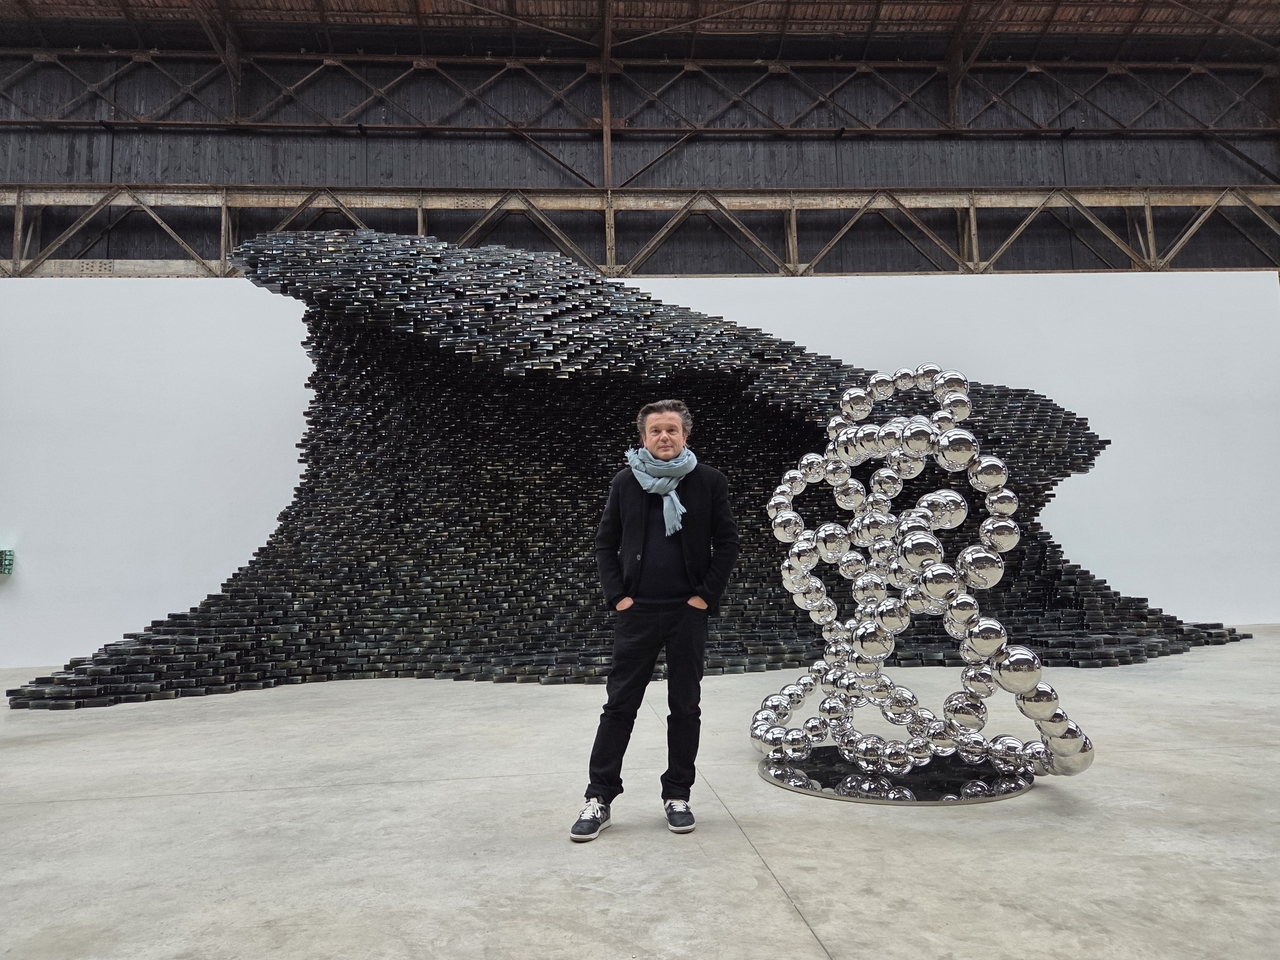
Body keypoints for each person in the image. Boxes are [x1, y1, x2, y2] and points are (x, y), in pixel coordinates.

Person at [570, 399, 739, 842]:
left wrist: (704, 598)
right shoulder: (626, 483)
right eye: (655, 431)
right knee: (619, 706)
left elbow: (728, 544)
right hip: (637, 613)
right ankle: (599, 797)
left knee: (684, 707)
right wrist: (618, 598)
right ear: (643, 438)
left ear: (685, 436)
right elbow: (606, 544)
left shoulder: (708, 482)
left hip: (687, 614)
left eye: (672, 430)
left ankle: (677, 794)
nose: (664, 437)